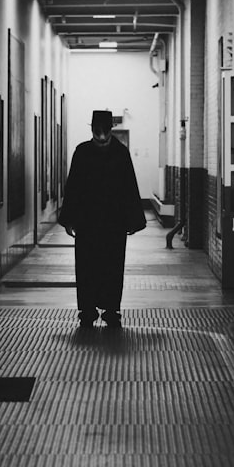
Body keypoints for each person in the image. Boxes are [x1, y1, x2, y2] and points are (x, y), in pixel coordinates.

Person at [59, 110, 147, 329]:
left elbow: (128, 188)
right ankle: (89, 309)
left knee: (109, 265)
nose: (100, 137)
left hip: (106, 223)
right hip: (95, 223)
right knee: (93, 265)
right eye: (97, 132)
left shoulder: (87, 152)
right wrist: (70, 220)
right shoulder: (116, 153)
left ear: (110, 130)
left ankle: (109, 308)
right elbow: (73, 188)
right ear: (92, 130)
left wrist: (132, 220)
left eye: (104, 132)